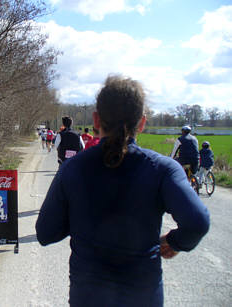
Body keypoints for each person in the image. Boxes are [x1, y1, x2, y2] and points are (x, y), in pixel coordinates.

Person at [35, 75, 210, 307]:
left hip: (88, 297)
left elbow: (46, 233)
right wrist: (174, 242)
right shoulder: (164, 169)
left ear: (96, 120)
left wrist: (80, 214)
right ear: (142, 123)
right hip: (143, 297)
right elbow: (197, 222)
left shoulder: (72, 168)